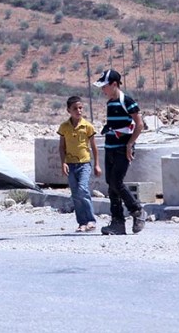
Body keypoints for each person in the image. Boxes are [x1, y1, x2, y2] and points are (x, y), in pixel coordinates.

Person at [94, 69, 146, 235]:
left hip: (123, 150)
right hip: (109, 148)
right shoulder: (110, 103)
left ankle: (137, 210)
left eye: (105, 86)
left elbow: (139, 124)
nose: (103, 90)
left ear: (114, 84)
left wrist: (130, 144)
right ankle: (117, 223)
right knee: (111, 185)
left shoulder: (128, 101)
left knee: (117, 182)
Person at [58, 95, 101, 233]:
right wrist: (63, 163)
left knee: (83, 189)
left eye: (81, 108)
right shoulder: (64, 127)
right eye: (75, 108)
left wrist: (96, 164)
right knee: (75, 194)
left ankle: (91, 220)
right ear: (68, 110)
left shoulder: (87, 126)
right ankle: (82, 222)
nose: (79, 111)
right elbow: (61, 147)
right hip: (70, 164)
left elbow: (94, 147)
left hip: (84, 164)